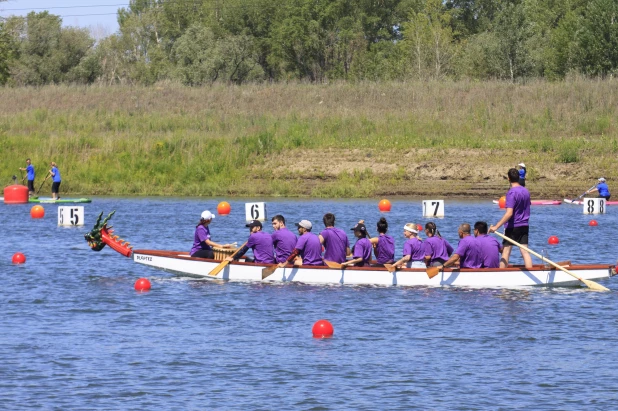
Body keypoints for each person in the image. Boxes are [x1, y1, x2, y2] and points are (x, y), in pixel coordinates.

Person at [490, 168, 533, 269]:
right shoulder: (526, 191)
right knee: (525, 252)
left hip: (512, 226)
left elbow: (509, 213)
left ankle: (501, 276)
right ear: (518, 177)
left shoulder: (511, 193)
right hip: (524, 225)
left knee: (506, 252)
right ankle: (531, 271)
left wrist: (496, 226)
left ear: (508, 178)